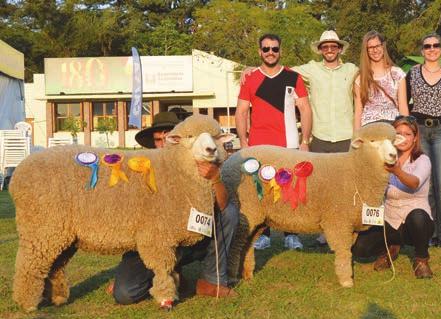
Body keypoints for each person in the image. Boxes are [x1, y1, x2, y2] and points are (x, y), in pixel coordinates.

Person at [109, 112, 238, 305]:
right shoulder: (141, 169)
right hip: (147, 245)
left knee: (229, 213)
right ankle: (168, 276)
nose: (163, 143)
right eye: (158, 139)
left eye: (167, 136)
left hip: (189, 241)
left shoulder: (202, 163)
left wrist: (214, 177)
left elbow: (222, 206)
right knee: (125, 293)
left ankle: (210, 280)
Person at [235, 33, 313, 251]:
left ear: (280, 51)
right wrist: (243, 142)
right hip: (259, 147)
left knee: (290, 190)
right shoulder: (250, 78)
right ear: (260, 51)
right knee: (262, 191)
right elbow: (241, 112)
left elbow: (305, 109)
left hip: (289, 145)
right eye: (266, 49)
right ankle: (263, 235)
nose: (270, 52)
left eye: (275, 49)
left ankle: (291, 234)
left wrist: (305, 141)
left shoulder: (293, 77)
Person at [292, 30, 359, 246]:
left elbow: (374, 74)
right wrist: (251, 69)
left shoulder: (353, 70)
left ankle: (346, 229)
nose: (329, 50)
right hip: (319, 135)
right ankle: (324, 230)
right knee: (320, 186)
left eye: (333, 46)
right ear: (320, 50)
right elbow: (281, 71)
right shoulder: (310, 69)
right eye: (325, 47)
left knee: (345, 187)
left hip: (345, 135)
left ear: (340, 48)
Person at [351, 116, 435, 278]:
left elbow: (414, 183)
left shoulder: (423, 160)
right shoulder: (382, 157)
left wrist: (396, 171)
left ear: (415, 137)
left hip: (416, 218)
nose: (403, 138)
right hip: (389, 216)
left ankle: (421, 259)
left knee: (418, 217)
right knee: (360, 248)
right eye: (398, 133)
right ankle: (391, 247)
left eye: (408, 134)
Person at [405, 33, 441, 248]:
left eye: (436, 45)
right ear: (422, 50)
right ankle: (429, 231)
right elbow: (403, 102)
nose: (432, 49)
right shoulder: (412, 73)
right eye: (427, 46)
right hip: (421, 130)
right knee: (426, 183)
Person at [353, 31, 409, 129]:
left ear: (383, 46)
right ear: (366, 50)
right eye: (370, 47)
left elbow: (403, 106)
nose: (375, 50)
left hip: (393, 125)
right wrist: (356, 138)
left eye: (377, 46)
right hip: (369, 128)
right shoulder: (360, 78)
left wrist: (406, 131)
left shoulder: (397, 73)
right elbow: (358, 112)